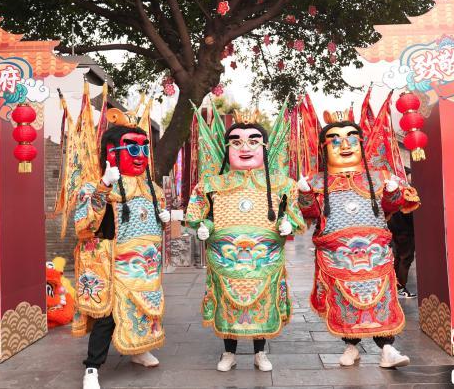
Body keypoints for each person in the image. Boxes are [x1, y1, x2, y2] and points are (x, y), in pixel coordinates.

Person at [185, 108, 305, 372]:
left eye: (253, 141)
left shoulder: (283, 183)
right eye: (236, 142)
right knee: (228, 306)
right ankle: (228, 353)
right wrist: (204, 226)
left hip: (265, 261)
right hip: (225, 261)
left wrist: (288, 223)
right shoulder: (211, 183)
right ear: (227, 148)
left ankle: (260, 352)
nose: (245, 147)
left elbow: (296, 216)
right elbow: (196, 216)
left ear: (265, 147)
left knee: (261, 304)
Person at [297, 113, 420, 368]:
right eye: (335, 141)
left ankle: (387, 349)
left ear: (362, 145)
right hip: (337, 257)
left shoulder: (379, 177)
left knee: (380, 301)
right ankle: (351, 347)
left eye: (352, 140)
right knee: (344, 302)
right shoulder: (316, 182)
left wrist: (392, 191)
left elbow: (392, 206)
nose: (344, 146)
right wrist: (306, 195)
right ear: (323, 148)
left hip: (375, 256)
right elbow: (310, 214)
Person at [73, 120, 171, 389]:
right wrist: (104, 185)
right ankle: (92, 368)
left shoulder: (154, 191)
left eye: (144, 148)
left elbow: (154, 228)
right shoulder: (92, 188)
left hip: (145, 268)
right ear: (111, 150)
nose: (140, 156)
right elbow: (84, 226)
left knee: (144, 313)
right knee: (107, 318)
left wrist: (164, 220)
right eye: (132, 148)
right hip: (112, 267)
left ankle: (138, 350)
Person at [388, 210, 417, 298]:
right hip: (405, 231)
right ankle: (400, 288)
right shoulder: (405, 198)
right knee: (405, 259)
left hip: (395, 230)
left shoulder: (393, 198)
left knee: (399, 258)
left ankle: (396, 287)